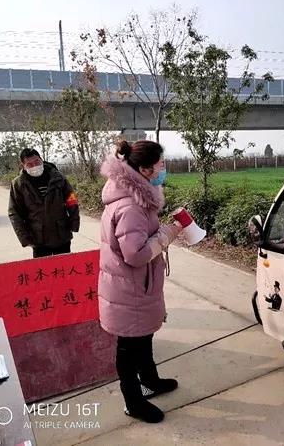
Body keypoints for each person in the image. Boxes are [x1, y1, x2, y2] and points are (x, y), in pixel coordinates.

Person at [98, 139, 183, 424]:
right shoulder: (131, 206)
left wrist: (164, 231)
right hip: (130, 288)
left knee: (143, 337)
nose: (164, 170)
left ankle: (150, 380)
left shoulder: (136, 198)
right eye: (161, 165)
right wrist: (169, 233)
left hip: (136, 285)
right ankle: (133, 402)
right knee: (129, 346)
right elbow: (136, 254)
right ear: (145, 170)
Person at [8, 148, 80, 258]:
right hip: (38, 238)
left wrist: (74, 222)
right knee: (43, 268)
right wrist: (24, 237)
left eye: (37, 162)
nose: (34, 166)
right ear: (23, 166)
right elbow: (14, 213)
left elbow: (72, 200)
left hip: (62, 234)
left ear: (41, 159)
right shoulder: (18, 184)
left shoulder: (58, 177)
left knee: (64, 267)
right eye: (29, 164)